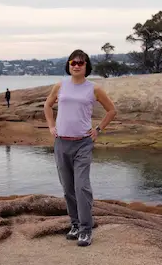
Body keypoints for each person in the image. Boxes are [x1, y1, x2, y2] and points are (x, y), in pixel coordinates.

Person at [44, 49, 116, 247]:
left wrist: (98, 129)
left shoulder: (93, 89)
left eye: (80, 63)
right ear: (68, 65)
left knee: (81, 186)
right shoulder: (60, 86)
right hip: (61, 143)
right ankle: (75, 224)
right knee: (68, 188)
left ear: (86, 66)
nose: (76, 65)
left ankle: (86, 229)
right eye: (72, 62)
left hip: (83, 143)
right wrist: (51, 126)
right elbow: (47, 106)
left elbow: (112, 110)